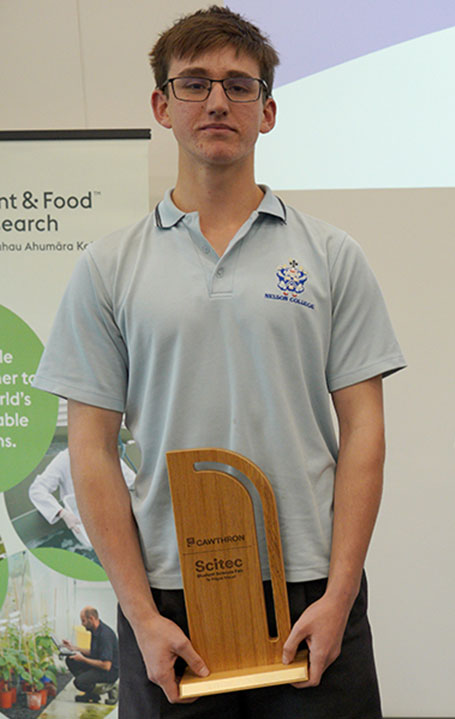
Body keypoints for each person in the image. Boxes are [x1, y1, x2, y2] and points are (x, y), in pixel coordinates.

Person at [32, 7, 404, 717]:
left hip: (311, 590)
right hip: (170, 600)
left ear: (267, 111)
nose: (215, 102)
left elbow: (364, 432)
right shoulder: (108, 267)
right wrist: (140, 615)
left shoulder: (331, 256)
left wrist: (340, 592)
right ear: (160, 104)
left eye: (238, 85)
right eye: (194, 82)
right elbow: (90, 448)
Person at [29, 448, 135, 548]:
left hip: (111, 516)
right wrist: (62, 513)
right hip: (79, 522)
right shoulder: (64, 459)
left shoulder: (106, 454)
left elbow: (133, 484)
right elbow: (37, 489)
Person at [63, 606, 120, 703]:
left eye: (83, 621)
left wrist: (83, 659)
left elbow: (106, 665)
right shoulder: (95, 631)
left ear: (92, 619)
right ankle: (92, 694)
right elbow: (94, 652)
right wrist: (74, 648)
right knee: (71, 660)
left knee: (79, 682)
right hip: (100, 666)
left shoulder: (105, 635)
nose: (82, 624)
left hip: (109, 672)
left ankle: (109, 687)